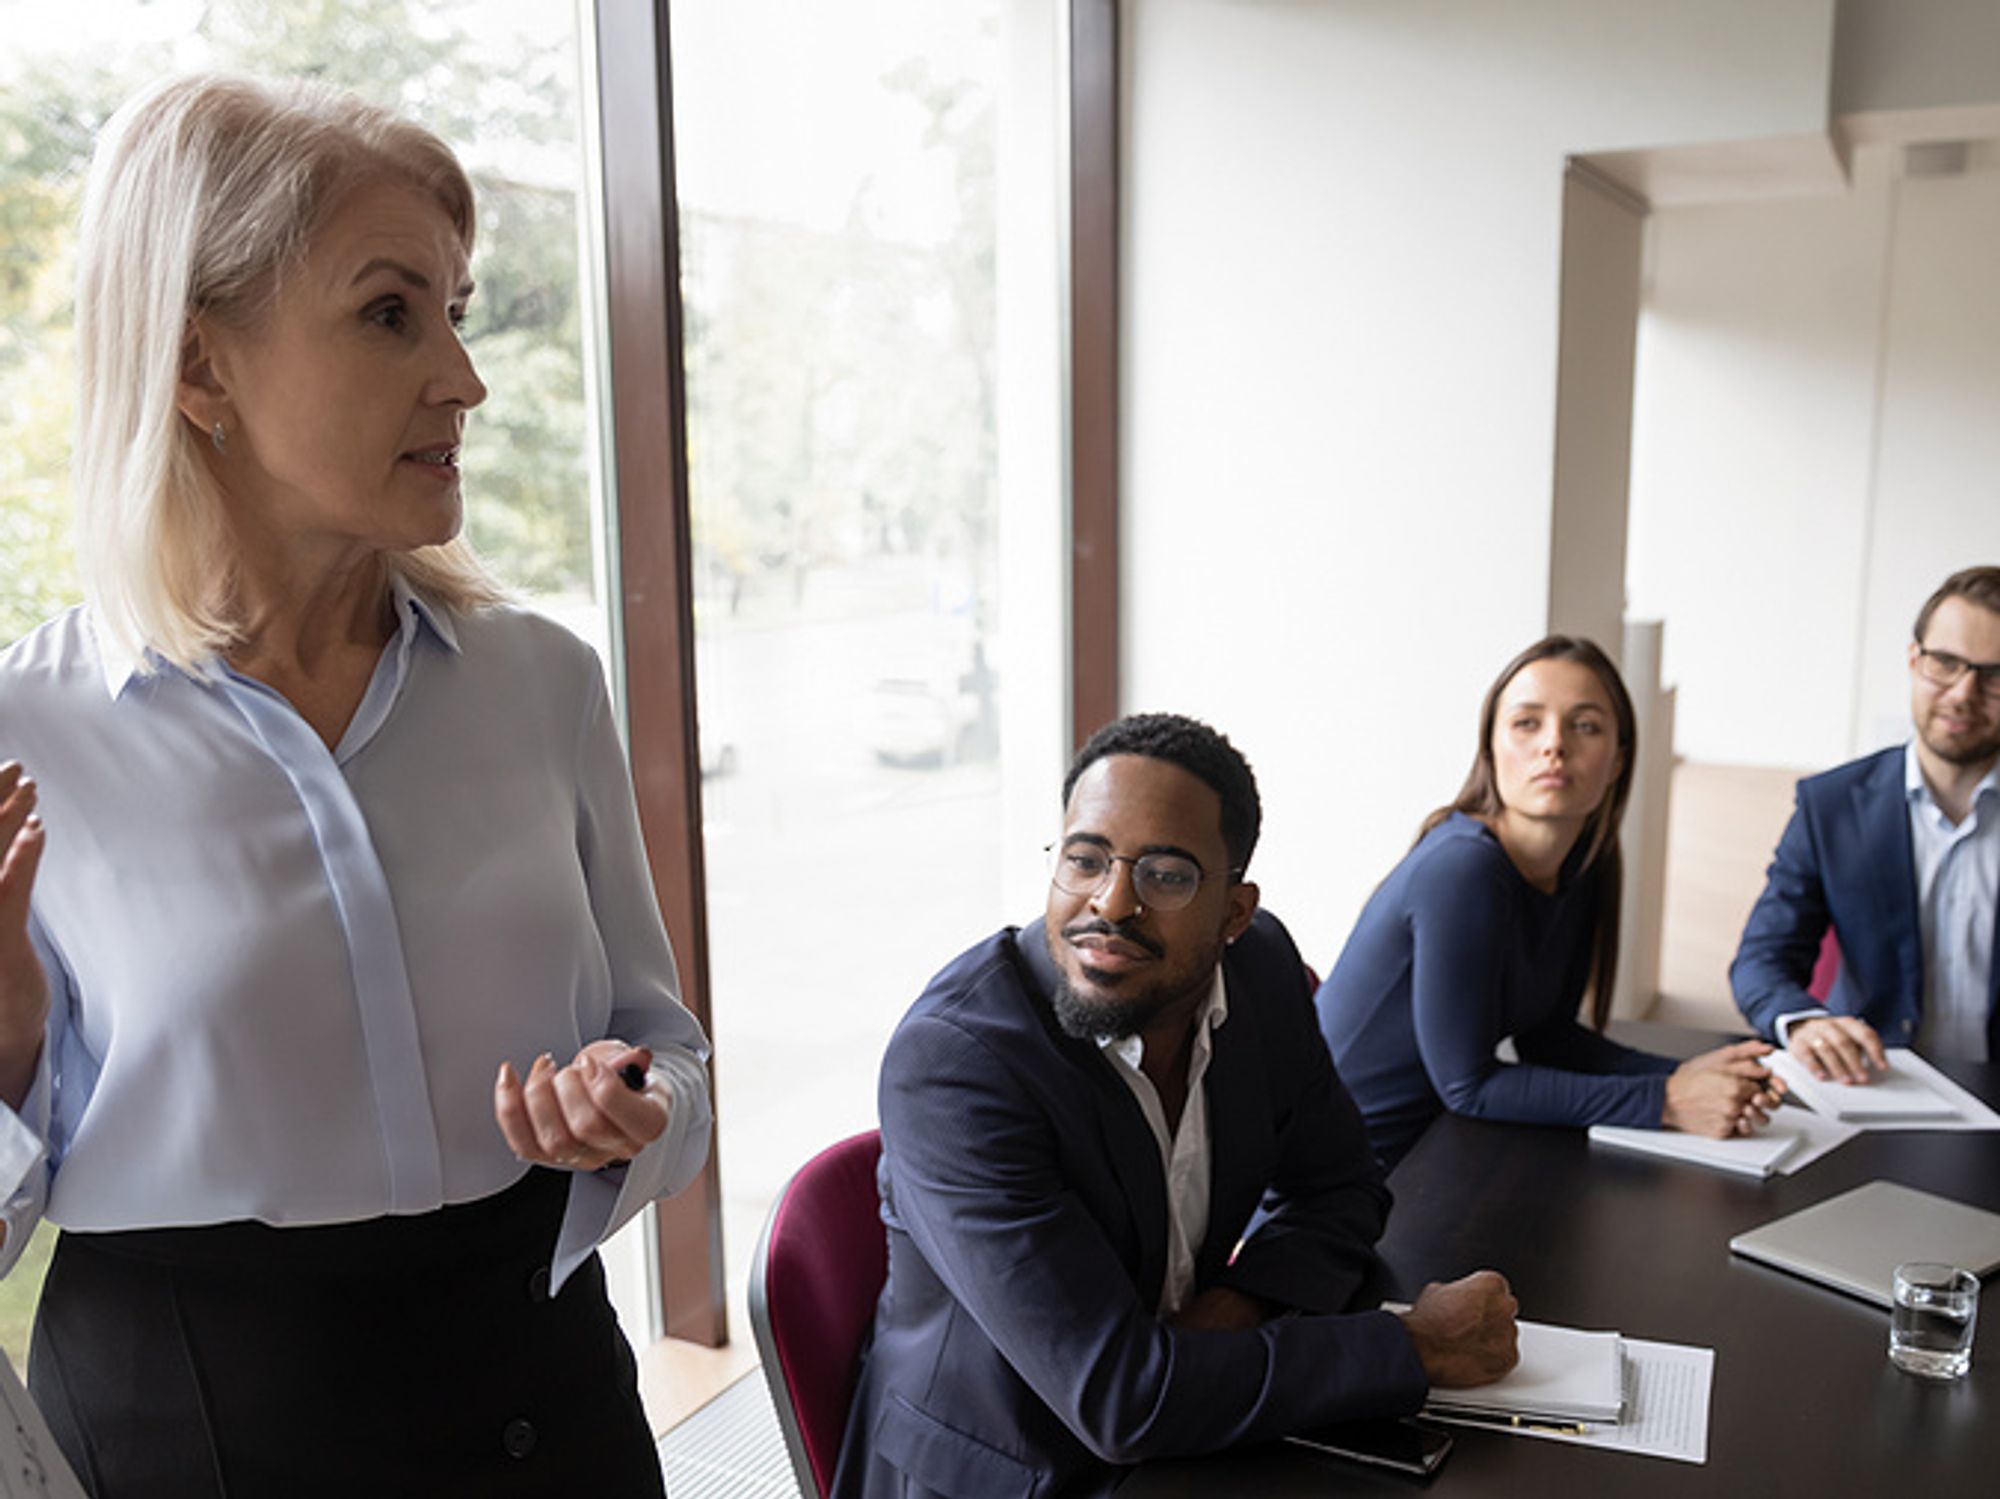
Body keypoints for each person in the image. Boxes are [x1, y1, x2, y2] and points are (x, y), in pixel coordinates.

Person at [0, 75, 711, 1496]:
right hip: (187, 1434)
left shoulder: (542, 682)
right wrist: (8, 1051)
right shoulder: (28, 734)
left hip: (547, 1401)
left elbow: (667, 1049)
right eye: (393, 313)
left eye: (455, 305)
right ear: (200, 368)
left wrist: (632, 1103)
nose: (463, 373)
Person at [832, 713, 1519, 1499]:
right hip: (1012, 1469)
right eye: (1086, 859)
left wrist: (1235, 1304)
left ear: (1235, 911)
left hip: (1190, 1423)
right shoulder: (956, 1064)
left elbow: (1341, 1184)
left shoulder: (1261, 971)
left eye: (1166, 874)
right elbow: (1121, 1396)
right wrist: (1410, 1346)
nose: (1112, 903)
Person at [1317, 636, 1780, 1168]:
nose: (1554, 745)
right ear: (1490, 747)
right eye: (1527, 723)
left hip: (1435, 1154)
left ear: (1618, 761)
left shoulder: (1581, 865)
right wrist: (1668, 1101)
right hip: (1337, 1183)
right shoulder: (1461, 868)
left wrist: (1693, 1076)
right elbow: (1468, 1086)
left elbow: (1551, 1039)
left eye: (1585, 726)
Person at [1733, 566, 2000, 1080]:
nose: (1963, 693)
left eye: (1993, 675)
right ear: (1913, 659)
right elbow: (1762, 960)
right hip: (1875, 1083)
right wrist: (1806, 1024)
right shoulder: (1830, 805)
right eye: (1945, 662)